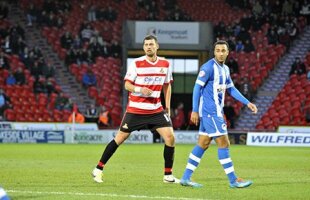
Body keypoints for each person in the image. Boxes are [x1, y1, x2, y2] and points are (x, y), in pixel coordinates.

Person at [92, 35, 179, 184]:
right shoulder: (137, 63)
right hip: (135, 110)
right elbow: (127, 85)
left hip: (156, 109)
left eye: (151, 44)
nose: (148, 47)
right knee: (120, 138)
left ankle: (168, 175)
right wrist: (140, 89)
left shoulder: (165, 64)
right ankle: (98, 169)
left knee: (170, 138)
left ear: (157, 46)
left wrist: (168, 107)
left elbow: (167, 85)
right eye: (146, 45)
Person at [180, 40, 258, 188]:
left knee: (203, 143)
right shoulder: (208, 67)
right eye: (218, 50)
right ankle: (233, 180)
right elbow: (197, 88)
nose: (220, 53)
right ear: (214, 52)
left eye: (223, 50)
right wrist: (195, 109)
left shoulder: (226, 69)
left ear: (228, 52)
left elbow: (232, 89)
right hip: (210, 112)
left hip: (214, 112)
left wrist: (248, 103)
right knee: (224, 143)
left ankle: (185, 178)